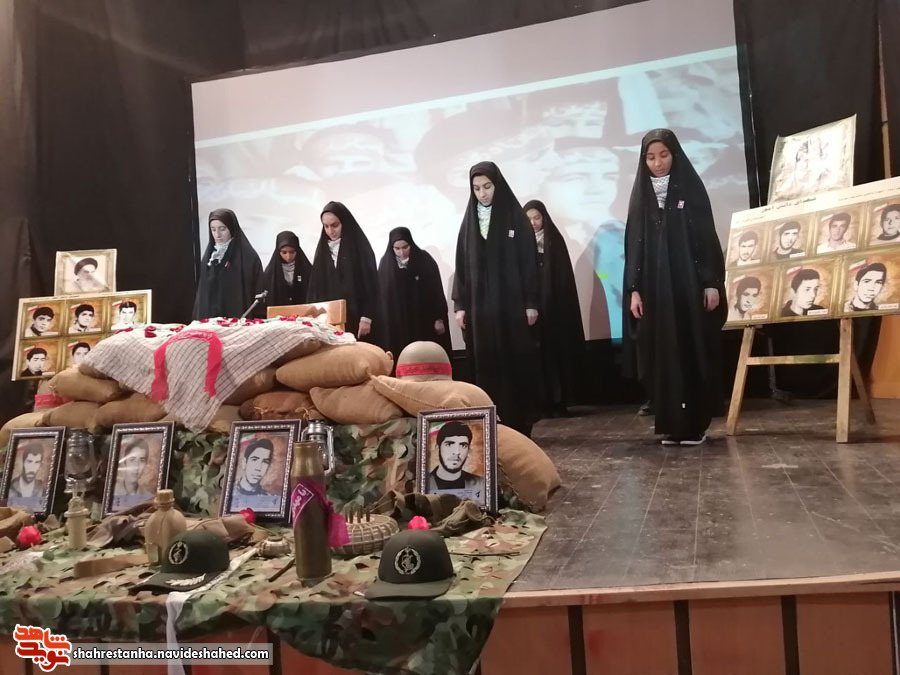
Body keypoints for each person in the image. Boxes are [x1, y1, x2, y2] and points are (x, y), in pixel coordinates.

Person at [623, 128, 726, 446]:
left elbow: (706, 239)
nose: (658, 163)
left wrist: (711, 282)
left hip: (688, 287)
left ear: (674, 155)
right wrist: (634, 289)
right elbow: (634, 246)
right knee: (661, 354)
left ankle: (694, 426)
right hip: (655, 292)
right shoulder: (641, 196)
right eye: (651, 157)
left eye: (664, 155)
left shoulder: (690, 189)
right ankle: (671, 425)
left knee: (691, 350)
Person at [452, 161, 541, 435]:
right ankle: (492, 424)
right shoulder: (469, 222)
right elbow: (462, 264)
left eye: (487, 186)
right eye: (476, 188)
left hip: (511, 305)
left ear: (497, 185)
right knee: (486, 364)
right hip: (481, 309)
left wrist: (531, 303)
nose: (482, 193)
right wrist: (460, 305)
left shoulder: (516, 218)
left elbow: (529, 263)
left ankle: (520, 423)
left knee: (515, 362)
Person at [523, 200, 585, 415]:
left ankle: (559, 401)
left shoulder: (554, 241)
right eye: (529, 219)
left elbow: (563, 278)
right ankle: (540, 403)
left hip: (555, 311)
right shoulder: (519, 245)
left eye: (537, 218)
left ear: (544, 218)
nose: (533, 223)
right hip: (532, 313)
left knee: (556, 356)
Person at [307, 201, 380, 341]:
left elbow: (371, 285)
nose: (330, 231)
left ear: (344, 223)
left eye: (335, 225)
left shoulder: (360, 248)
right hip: (330, 321)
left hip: (359, 318)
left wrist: (367, 317)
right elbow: (316, 287)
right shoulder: (322, 251)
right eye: (326, 226)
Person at [377, 226, 451, 363]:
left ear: (411, 243)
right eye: (397, 248)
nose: (401, 252)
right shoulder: (386, 264)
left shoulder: (424, 259)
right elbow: (382, 297)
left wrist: (439, 318)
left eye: (405, 247)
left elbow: (436, 290)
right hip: (398, 324)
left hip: (423, 321)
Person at [193, 208, 265, 320]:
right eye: (213, 229)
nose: (217, 234)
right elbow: (202, 297)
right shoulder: (209, 258)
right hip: (211, 322)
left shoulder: (248, 257)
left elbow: (257, 294)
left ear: (231, 228)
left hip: (239, 321)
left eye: (222, 229)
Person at [428, 422, 485, 501]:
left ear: (468, 450)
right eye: (449, 444)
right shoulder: (423, 484)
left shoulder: (482, 485)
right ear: (438, 448)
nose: (457, 452)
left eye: (463, 445)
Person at [263, 231, 312, 307]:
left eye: (292, 252)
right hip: (279, 313)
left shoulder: (307, 270)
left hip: (305, 312)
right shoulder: (270, 273)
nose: (288, 257)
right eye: (284, 252)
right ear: (278, 252)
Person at [231, 438, 281, 512]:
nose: (258, 468)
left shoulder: (270, 501)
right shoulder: (229, 493)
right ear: (244, 463)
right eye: (254, 460)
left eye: (265, 462)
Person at [112, 436, 153, 511]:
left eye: (141, 460)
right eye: (132, 460)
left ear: (145, 464)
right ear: (125, 462)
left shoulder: (149, 498)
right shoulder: (112, 492)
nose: (136, 466)